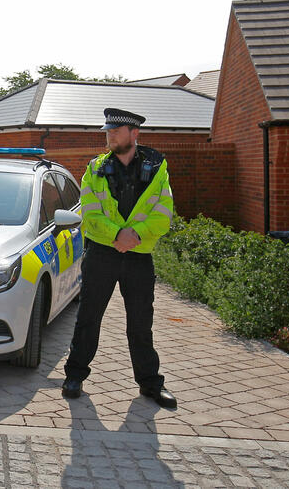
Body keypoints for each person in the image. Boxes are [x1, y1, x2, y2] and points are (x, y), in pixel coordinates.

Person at [61, 107, 177, 408]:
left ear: (134, 133)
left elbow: (163, 216)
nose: (109, 135)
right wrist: (117, 236)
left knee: (141, 323)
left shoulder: (157, 170)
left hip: (138, 257)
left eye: (116, 130)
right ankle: (74, 376)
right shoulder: (95, 168)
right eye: (107, 130)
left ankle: (150, 384)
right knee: (88, 318)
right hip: (101, 253)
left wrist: (132, 236)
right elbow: (90, 211)